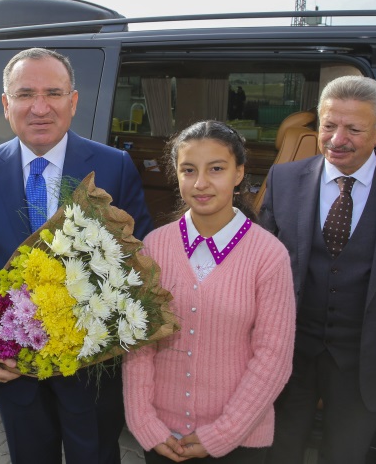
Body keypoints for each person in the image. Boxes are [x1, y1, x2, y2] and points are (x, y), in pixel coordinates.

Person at [0, 47, 153, 464]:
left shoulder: (114, 166)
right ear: (6, 105)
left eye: (53, 93)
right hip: (12, 367)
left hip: (91, 370)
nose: (40, 108)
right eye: (25, 94)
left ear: (73, 102)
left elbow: (140, 262)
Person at [260, 76, 376, 464]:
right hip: (290, 354)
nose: (336, 139)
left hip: (365, 360)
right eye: (329, 125)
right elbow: (258, 267)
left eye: (354, 129)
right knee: (277, 452)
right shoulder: (284, 180)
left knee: (345, 454)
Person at [123, 120, 296, 464]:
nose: (201, 183)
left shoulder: (269, 255)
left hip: (239, 442)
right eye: (189, 170)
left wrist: (223, 433)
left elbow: (273, 358)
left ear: (238, 173)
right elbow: (139, 343)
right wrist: (144, 423)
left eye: (216, 169)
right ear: (176, 174)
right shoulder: (154, 246)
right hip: (162, 438)